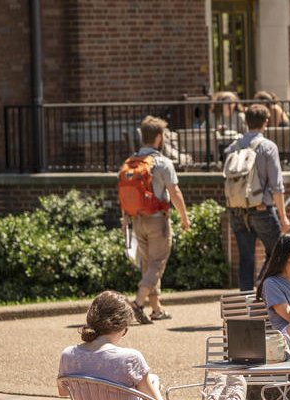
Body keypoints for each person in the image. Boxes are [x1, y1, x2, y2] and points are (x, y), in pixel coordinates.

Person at [124, 116, 192, 324]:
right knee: (157, 263)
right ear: (159, 138)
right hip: (157, 220)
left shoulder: (131, 162)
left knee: (147, 264)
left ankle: (156, 308)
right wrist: (184, 217)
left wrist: (124, 220)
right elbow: (175, 192)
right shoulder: (162, 163)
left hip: (136, 219)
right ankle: (137, 303)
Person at [225, 104, 290, 291]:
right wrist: (283, 215)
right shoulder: (268, 147)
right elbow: (277, 186)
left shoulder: (233, 147)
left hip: (236, 209)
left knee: (246, 257)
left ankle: (245, 307)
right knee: (280, 252)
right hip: (261, 208)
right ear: (266, 122)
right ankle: (262, 284)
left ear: (246, 122)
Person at [58, 291, 166, 400]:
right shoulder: (130, 358)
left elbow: (63, 391)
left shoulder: (68, 354)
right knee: (154, 381)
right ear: (122, 327)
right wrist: (155, 386)